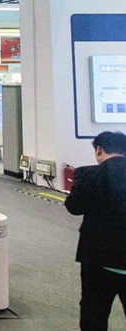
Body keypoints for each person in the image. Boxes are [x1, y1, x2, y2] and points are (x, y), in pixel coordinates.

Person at [64, 131, 126, 331]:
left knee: (94, 314)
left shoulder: (87, 174)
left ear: (99, 150)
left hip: (98, 259)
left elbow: (74, 207)